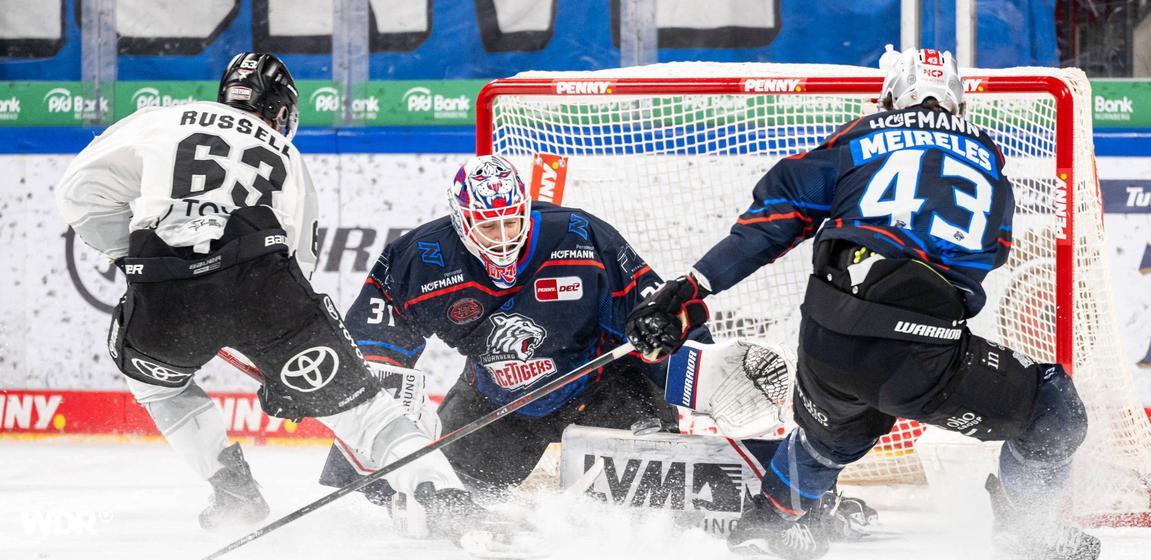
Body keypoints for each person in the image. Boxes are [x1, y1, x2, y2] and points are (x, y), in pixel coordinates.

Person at [625, 47, 1098, 560]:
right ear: (959, 107)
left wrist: (691, 286)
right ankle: (1025, 531)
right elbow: (994, 251)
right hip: (920, 352)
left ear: (889, 99)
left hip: (827, 338)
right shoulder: (991, 166)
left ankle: (765, 526)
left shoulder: (859, 140)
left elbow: (772, 221)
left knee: (830, 440)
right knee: (1054, 412)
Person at [55, 52, 465, 532]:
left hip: (165, 295)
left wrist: (136, 257)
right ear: (281, 109)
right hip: (264, 290)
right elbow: (299, 266)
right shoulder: (288, 155)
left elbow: (78, 191)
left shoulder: (159, 120)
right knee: (363, 410)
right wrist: (281, 364)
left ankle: (233, 490)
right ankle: (443, 496)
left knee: (156, 385)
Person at [318, 154, 696, 499]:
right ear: (462, 221)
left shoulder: (580, 236)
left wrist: (697, 380)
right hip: (497, 401)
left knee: (658, 503)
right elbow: (374, 355)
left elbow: (655, 318)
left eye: (511, 221)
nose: (503, 238)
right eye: (488, 227)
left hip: (601, 389)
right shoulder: (420, 259)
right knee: (434, 499)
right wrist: (372, 464)